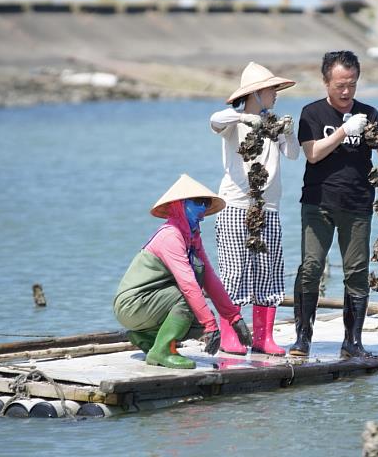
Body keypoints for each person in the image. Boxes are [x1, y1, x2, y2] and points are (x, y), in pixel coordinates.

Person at [290, 50, 378, 358]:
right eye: (340, 85)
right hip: (318, 203)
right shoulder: (311, 113)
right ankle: (303, 338)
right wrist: (344, 130)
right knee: (311, 267)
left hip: (358, 203)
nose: (346, 91)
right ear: (326, 83)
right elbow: (313, 153)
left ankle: (353, 342)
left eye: (352, 84)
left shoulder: (369, 113)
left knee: (357, 272)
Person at [113, 174, 253, 369]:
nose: (203, 209)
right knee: (190, 303)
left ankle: (146, 338)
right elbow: (188, 284)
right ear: (180, 204)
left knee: (198, 320)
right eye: (198, 202)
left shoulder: (192, 237)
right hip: (133, 304)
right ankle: (162, 352)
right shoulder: (170, 235)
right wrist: (211, 326)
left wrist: (234, 318)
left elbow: (210, 279)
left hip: (150, 304)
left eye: (206, 203)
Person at [209, 62, 298, 356]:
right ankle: (230, 336)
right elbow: (215, 119)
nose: (276, 94)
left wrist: (288, 131)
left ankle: (263, 338)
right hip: (236, 204)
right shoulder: (233, 122)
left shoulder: (272, 123)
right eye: (272, 89)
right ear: (257, 93)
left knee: (268, 271)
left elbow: (293, 154)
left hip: (269, 207)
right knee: (235, 272)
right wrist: (248, 119)